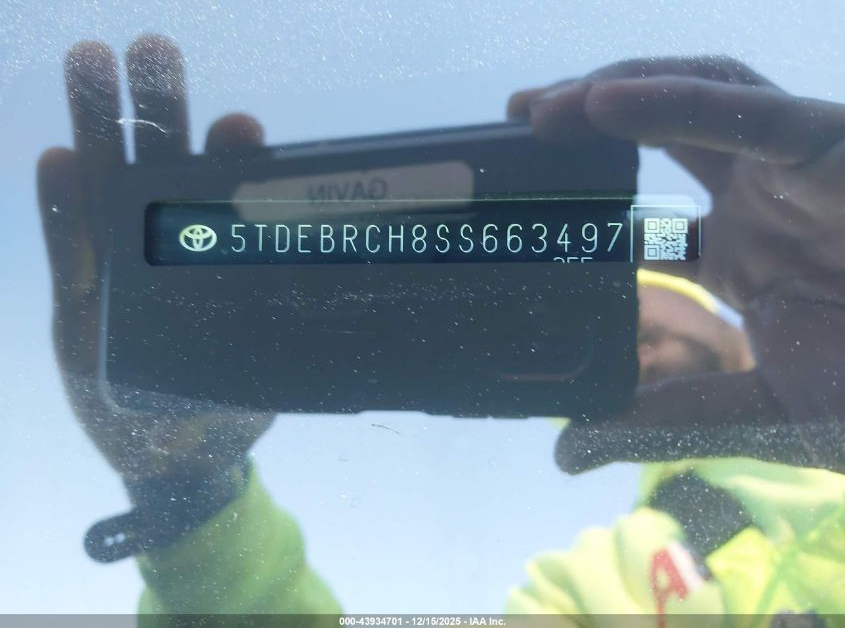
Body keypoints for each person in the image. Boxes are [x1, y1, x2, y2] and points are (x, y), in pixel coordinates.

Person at [37, 35, 845, 617]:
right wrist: (191, 500)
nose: (623, 331)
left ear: (701, 291)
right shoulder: (588, 589)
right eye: (534, 328)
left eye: (604, 296)